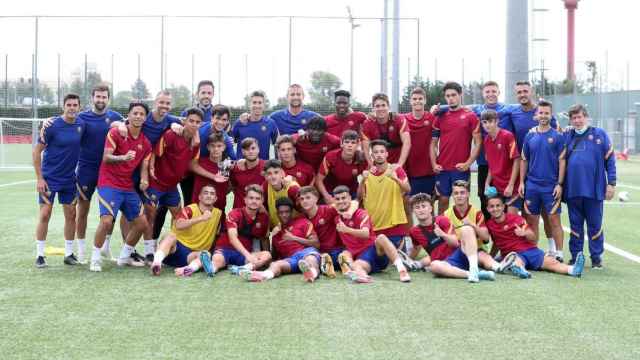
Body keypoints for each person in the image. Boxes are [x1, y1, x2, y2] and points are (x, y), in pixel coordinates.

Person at [89, 102, 153, 272]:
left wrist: (144, 180)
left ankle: (124, 257)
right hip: (108, 183)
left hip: (127, 186)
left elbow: (144, 165)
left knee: (142, 223)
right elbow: (106, 157)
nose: (138, 116)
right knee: (106, 221)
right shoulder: (116, 132)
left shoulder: (145, 143)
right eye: (135, 113)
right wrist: (123, 157)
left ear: (145, 118)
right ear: (129, 115)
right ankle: (95, 258)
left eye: (141, 114)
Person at [142, 107, 202, 262]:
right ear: (184, 121)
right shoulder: (171, 135)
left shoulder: (196, 143)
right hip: (156, 183)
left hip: (171, 186)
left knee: (178, 216)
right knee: (150, 215)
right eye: (191, 121)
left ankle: (173, 246)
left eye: (197, 122)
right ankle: (149, 251)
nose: (194, 124)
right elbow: (154, 153)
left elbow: (192, 164)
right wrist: (150, 172)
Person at [32, 93, 85, 268]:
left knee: (71, 215)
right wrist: (40, 178)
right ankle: (40, 255)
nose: (71, 108)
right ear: (64, 106)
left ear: (79, 107)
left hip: (69, 179)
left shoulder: (81, 124)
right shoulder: (52, 125)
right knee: (45, 214)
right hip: (49, 179)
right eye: (68, 104)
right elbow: (36, 152)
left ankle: (69, 254)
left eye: (75, 105)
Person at [563, 104, 616, 268]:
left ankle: (596, 258)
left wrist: (612, 183)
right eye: (573, 118)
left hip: (594, 189)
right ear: (570, 120)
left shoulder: (600, 134)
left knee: (595, 225)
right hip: (572, 190)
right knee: (575, 225)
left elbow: (610, 160)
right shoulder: (566, 136)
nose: (577, 121)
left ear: (586, 117)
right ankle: (576, 256)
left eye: (579, 117)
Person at [484, 195, 585, 278]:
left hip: (530, 250)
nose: (495, 209)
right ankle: (522, 271)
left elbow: (533, 237)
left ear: (503, 207)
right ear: (488, 209)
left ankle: (572, 270)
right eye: (492, 206)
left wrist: (524, 233)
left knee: (552, 262)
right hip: (513, 254)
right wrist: (490, 256)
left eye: (498, 206)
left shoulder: (516, 219)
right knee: (516, 261)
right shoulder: (489, 225)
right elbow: (496, 243)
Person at [332, 186, 411, 283]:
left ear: (349, 198)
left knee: (381, 237)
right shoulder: (335, 216)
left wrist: (347, 229)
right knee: (353, 262)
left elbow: (365, 233)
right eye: (338, 199)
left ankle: (402, 270)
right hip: (362, 258)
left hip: (373, 250)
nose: (341, 201)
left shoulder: (361, 213)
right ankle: (361, 276)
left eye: (344, 198)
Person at [519, 100, 566, 262]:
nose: (543, 116)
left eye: (546, 113)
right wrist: (521, 182)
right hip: (532, 185)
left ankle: (558, 253)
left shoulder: (558, 136)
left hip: (551, 186)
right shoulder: (530, 135)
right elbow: (524, 160)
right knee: (532, 220)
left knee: (553, 219)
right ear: (536, 115)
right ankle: (534, 252)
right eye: (541, 113)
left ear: (551, 115)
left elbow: (562, 161)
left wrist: (560, 184)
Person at [240, 197, 321, 283]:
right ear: (277, 214)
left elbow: (316, 244)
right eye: (281, 212)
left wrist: (294, 238)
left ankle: (312, 273)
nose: (284, 215)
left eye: (287, 212)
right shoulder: (276, 234)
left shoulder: (303, 222)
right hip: (291, 260)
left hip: (306, 252)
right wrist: (272, 238)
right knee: (275, 264)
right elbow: (274, 257)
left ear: (292, 212)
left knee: (310, 258)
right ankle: (263, 275)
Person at [431, 82, 482, 214]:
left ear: (460, 95)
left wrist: (468, 163)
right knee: (443, 200)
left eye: (453, 95)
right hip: (443, 168)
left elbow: (478, 142)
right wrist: (434, 163)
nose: (450, 98)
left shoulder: (470, 116)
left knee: (463, 202)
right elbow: (433, 143)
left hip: (461, 168)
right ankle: (442, 231)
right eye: (447, 96)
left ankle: (464, 231)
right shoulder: (440, 116)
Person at [150, 185, 223, 277]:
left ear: (215, 199)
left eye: (212, 194)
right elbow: (178, 225)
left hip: (191, 255)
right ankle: (157, 263)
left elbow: (218, 235)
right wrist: (201, 218)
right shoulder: (190, 209)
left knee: (205, 254)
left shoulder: (218, 214)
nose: (209, 195)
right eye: (206, 193)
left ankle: (188, 269)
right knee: (170, 236)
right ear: (199, 197)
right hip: (175, 249)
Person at [200, 185, 271, 276]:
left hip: (243, 255)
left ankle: (244, 269)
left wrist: (265, 261)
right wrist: (248, 255)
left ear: (262, 201)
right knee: (217, 259)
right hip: (225, 249)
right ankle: (211, 269)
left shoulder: (263, 218)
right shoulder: (235, 213)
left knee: (267, 255)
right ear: (245, 199)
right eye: (251, 198)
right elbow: (233, 239)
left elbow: (263, 238)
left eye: (257, 199)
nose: (254, 201)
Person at [441, 180, 504, 282]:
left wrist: (472, 225)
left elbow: (486, 238)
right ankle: (475, 273)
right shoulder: (446, 215)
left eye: (462, 192)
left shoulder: (477, 213)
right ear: (452, 195)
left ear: (468, 194)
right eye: (456, 193)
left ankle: (499, 267)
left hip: (477, 251)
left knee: (468, 230)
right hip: (457, 252)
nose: (459, 196)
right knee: (435, 267)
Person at [359, 140, 410, 249]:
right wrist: (363, 180)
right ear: (372, 155)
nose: (379, 155)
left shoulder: (396, 169)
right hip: (374, 224)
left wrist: (395, 179)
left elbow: (408, 189)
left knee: (399, 257)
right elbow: (359, 197)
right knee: (379, 260)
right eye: (376, 152)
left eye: (382, 152)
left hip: (395, 224)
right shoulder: (367, 174)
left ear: (387, 154)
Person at [299, 186, 347, 278]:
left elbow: (351, 204)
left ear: (316, 198)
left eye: (308, 197)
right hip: (319, 254)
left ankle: (345, 266)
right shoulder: (302, 219)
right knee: (311, 258)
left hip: (336, 250)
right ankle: (316, 272)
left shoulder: (328, 210)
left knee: (343, 255)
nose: (304, 201)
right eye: (302, 199)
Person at [480, 109, 522, 214]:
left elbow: (517, 160)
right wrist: (487, 183)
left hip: (512, 186)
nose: (487, 125)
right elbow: (491, 164)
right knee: (500, 219)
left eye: (490, 121)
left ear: (497, 121)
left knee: (512, 219)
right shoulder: (486, 140)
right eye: (484, 122)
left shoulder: (507, 136)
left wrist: (511, 184)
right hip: (497, 187)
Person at [316, 130, 367, 204]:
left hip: (351, 192)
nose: (350, 145)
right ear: (341, 143)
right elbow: (318, 180)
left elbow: (366, 182)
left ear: (358, 145)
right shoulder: (331, 157)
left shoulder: (362, 159)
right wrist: (327, 196)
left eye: (353, 142)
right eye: (346, 142)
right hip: (332, 192)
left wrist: (358, 200)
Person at [403, 87, 437, 197]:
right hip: (409, 170)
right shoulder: (403, 119)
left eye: (420, 98)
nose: (417, 101)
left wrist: (437, 108)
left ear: (425, 100)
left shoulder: (432, 118)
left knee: (428, 204)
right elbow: (386, 116)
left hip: (428, 170)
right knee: (408, 204)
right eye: (414, 99)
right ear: (410, 101)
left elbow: (450, 110)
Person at [361, 93, 410, 167]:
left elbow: (407, 143)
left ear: (388, 107)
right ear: (373, 108)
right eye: (377, 106)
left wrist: (399, 165)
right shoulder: (368, 123)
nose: (381, 108)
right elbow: (365, 148)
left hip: (397, 164)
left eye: (383, 105)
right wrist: (371, 165)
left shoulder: (398, 119)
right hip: (378, 167)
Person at [232, 90, 278, 160]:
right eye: (254, 102)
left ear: (264, 105)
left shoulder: (271, 123)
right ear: (250, 104)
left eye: (260, 103)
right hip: (243, 168)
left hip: (262, 168)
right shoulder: (239, 123)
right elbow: (231, 143)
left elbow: (277, 144)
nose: (257, 105)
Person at [191, 132, 232, 211]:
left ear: (224, 147)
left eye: (219, 146)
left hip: (218, 210)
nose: (216, 149)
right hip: (198, 210)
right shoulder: (199, 163)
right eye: (212, 146)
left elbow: (232, 186)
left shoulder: (228, 165)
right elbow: (189, 165)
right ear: (208, 147)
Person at [261, 159, 301, 228]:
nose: (273, 176)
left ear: (282, 173)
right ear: (265, 176)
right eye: (269, 173)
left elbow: (304, 210)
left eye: (276, 172)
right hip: (277, 229)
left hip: (296, 228)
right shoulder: (265, 186)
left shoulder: (292, 188)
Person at [229, 138, 266, 208]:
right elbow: (232, 187)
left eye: (253, 148)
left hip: (259, 210)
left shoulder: (266, 167)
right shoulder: (236, 168)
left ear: (258, 149)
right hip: (239, 210)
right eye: (247, 149)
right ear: (243, 152)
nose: (250, 151)